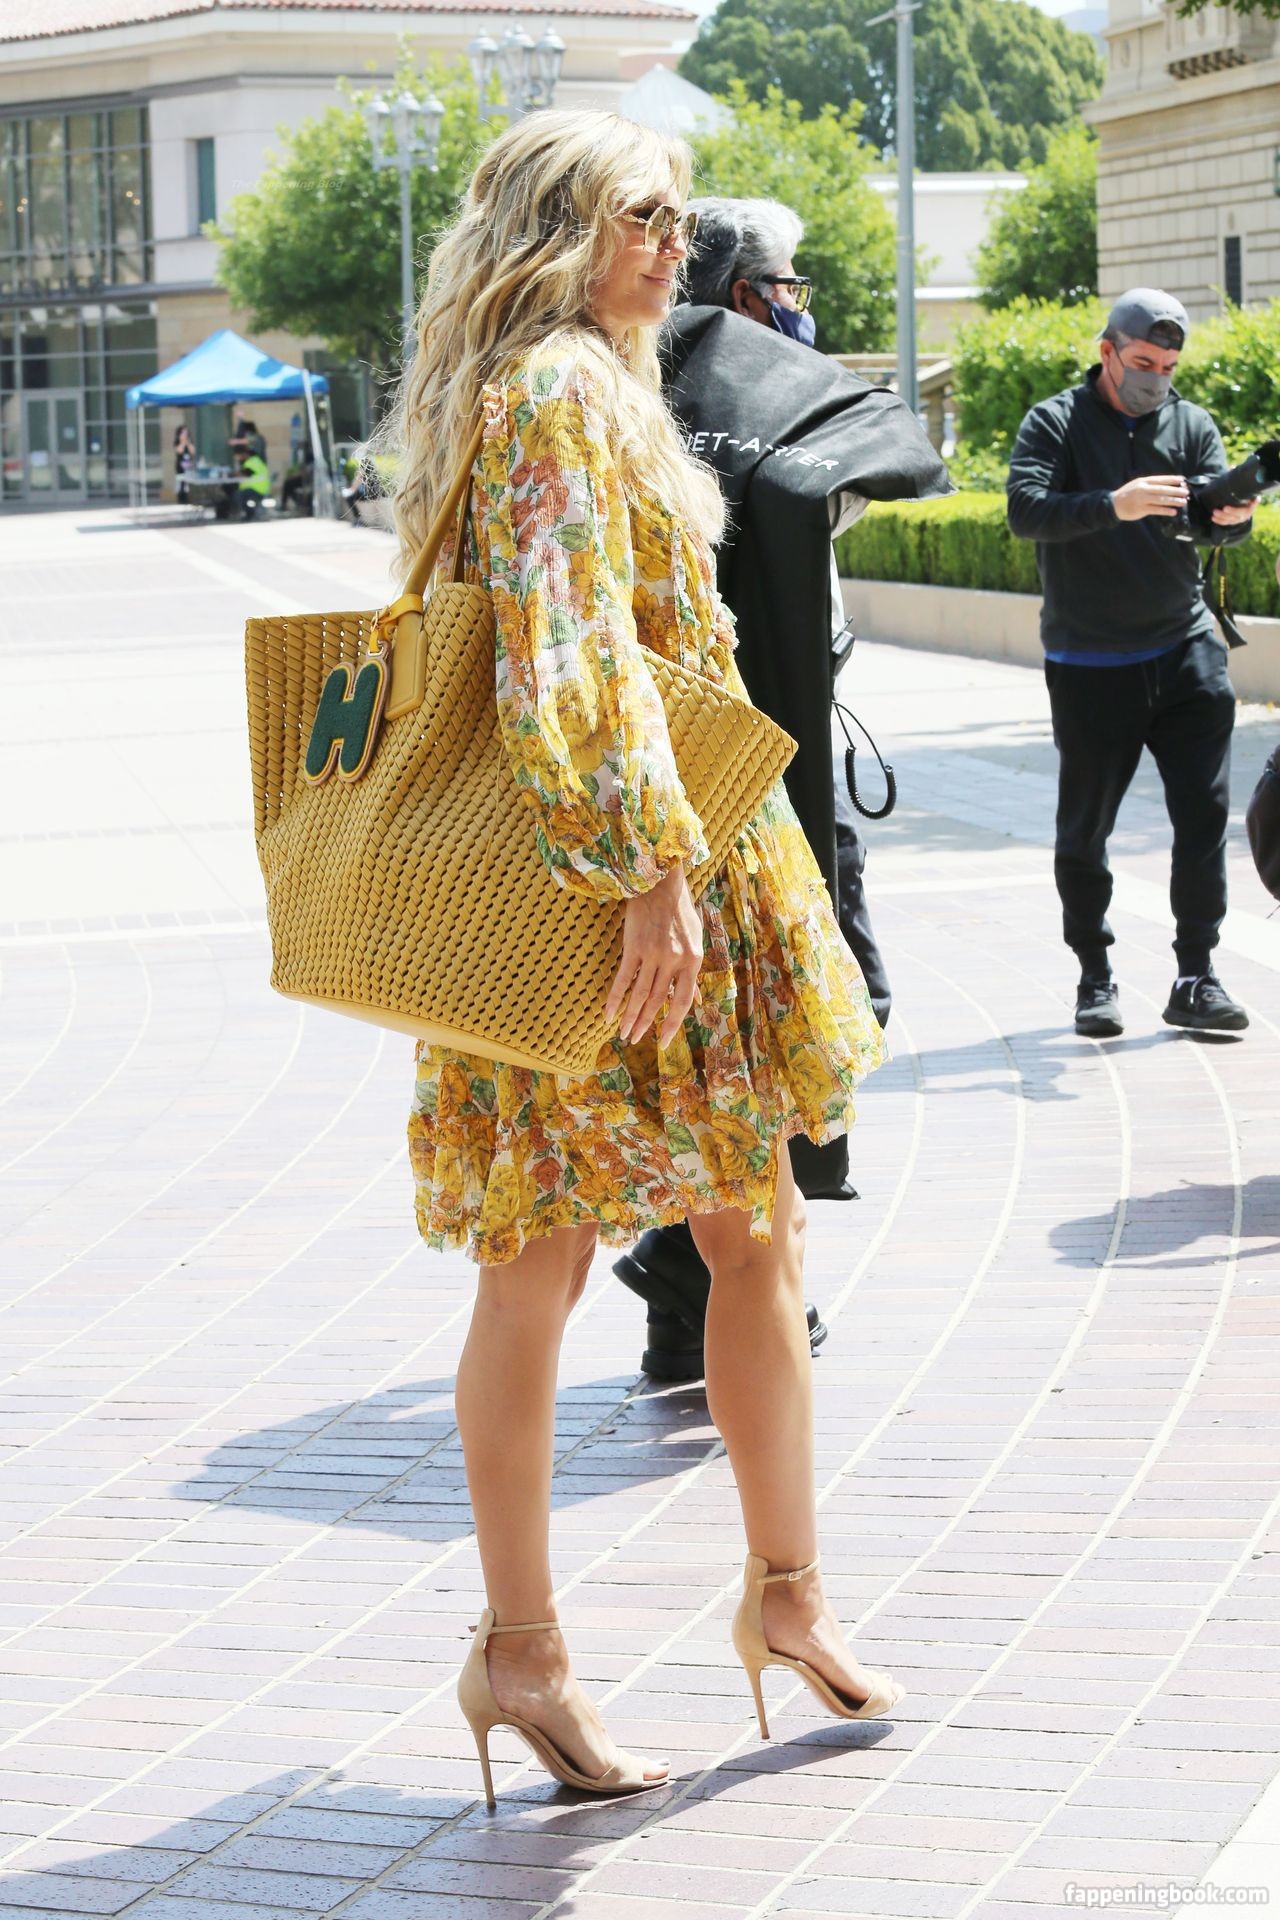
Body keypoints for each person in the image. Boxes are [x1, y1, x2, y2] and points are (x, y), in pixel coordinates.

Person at [381, 110, 902, 1806]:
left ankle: (785, 1598)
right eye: (642, 217)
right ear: (557, 231)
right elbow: (568, 650)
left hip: (651, 859)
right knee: (551, 1260)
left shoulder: (587, 380)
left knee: (745, 1232)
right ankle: (526, 1648)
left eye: (679, 217)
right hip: (614, 875)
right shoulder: (552, 387)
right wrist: (648, 876)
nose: (677, 245)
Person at [617, 195, 950, 1382]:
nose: (797, 309)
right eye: (785, 286)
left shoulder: (726, 407)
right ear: (736, 293)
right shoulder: (685, 414)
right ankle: (710, 1281)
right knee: (792, 1033)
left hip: (750, 773)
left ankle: (688, 1302)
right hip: (737, 792)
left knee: (724, 1045)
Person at [1007, 288, 1255, 1039]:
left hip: (1185, 649)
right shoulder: (1055, 422)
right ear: (1108, 350)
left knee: (1204, 819)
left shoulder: (1191, 424)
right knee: (1085, 829)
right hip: (1089, 658)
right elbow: (1026, 511)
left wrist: (1231, 520)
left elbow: (1209, 528)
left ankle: (1195, 977)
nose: (1157, 379)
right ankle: (1095, 976)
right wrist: (1113, 503)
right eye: (1144, 363)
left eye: (1169, 368)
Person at [236, 447, 272, 519]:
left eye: (242, 455)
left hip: (257, 489)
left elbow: (246, 473)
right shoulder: (257, 461)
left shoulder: (252, 462)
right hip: (261, 488)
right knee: (239, 494)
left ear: (247, 454)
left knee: (238, 496)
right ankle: (247, 513)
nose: (241, 457)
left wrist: (232, 474)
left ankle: (249, 514)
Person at [173, 423, 195, 505]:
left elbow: (193, 451)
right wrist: (182, 442)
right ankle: (181, 499)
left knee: (188, 482)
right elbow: (179, 451)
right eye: (183, 433)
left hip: (188, 464)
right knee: (181, 482)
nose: (185, 435)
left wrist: (188, 443)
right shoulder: (177, 442)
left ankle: (188, 497)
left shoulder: (189, 441)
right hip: (180, 465)